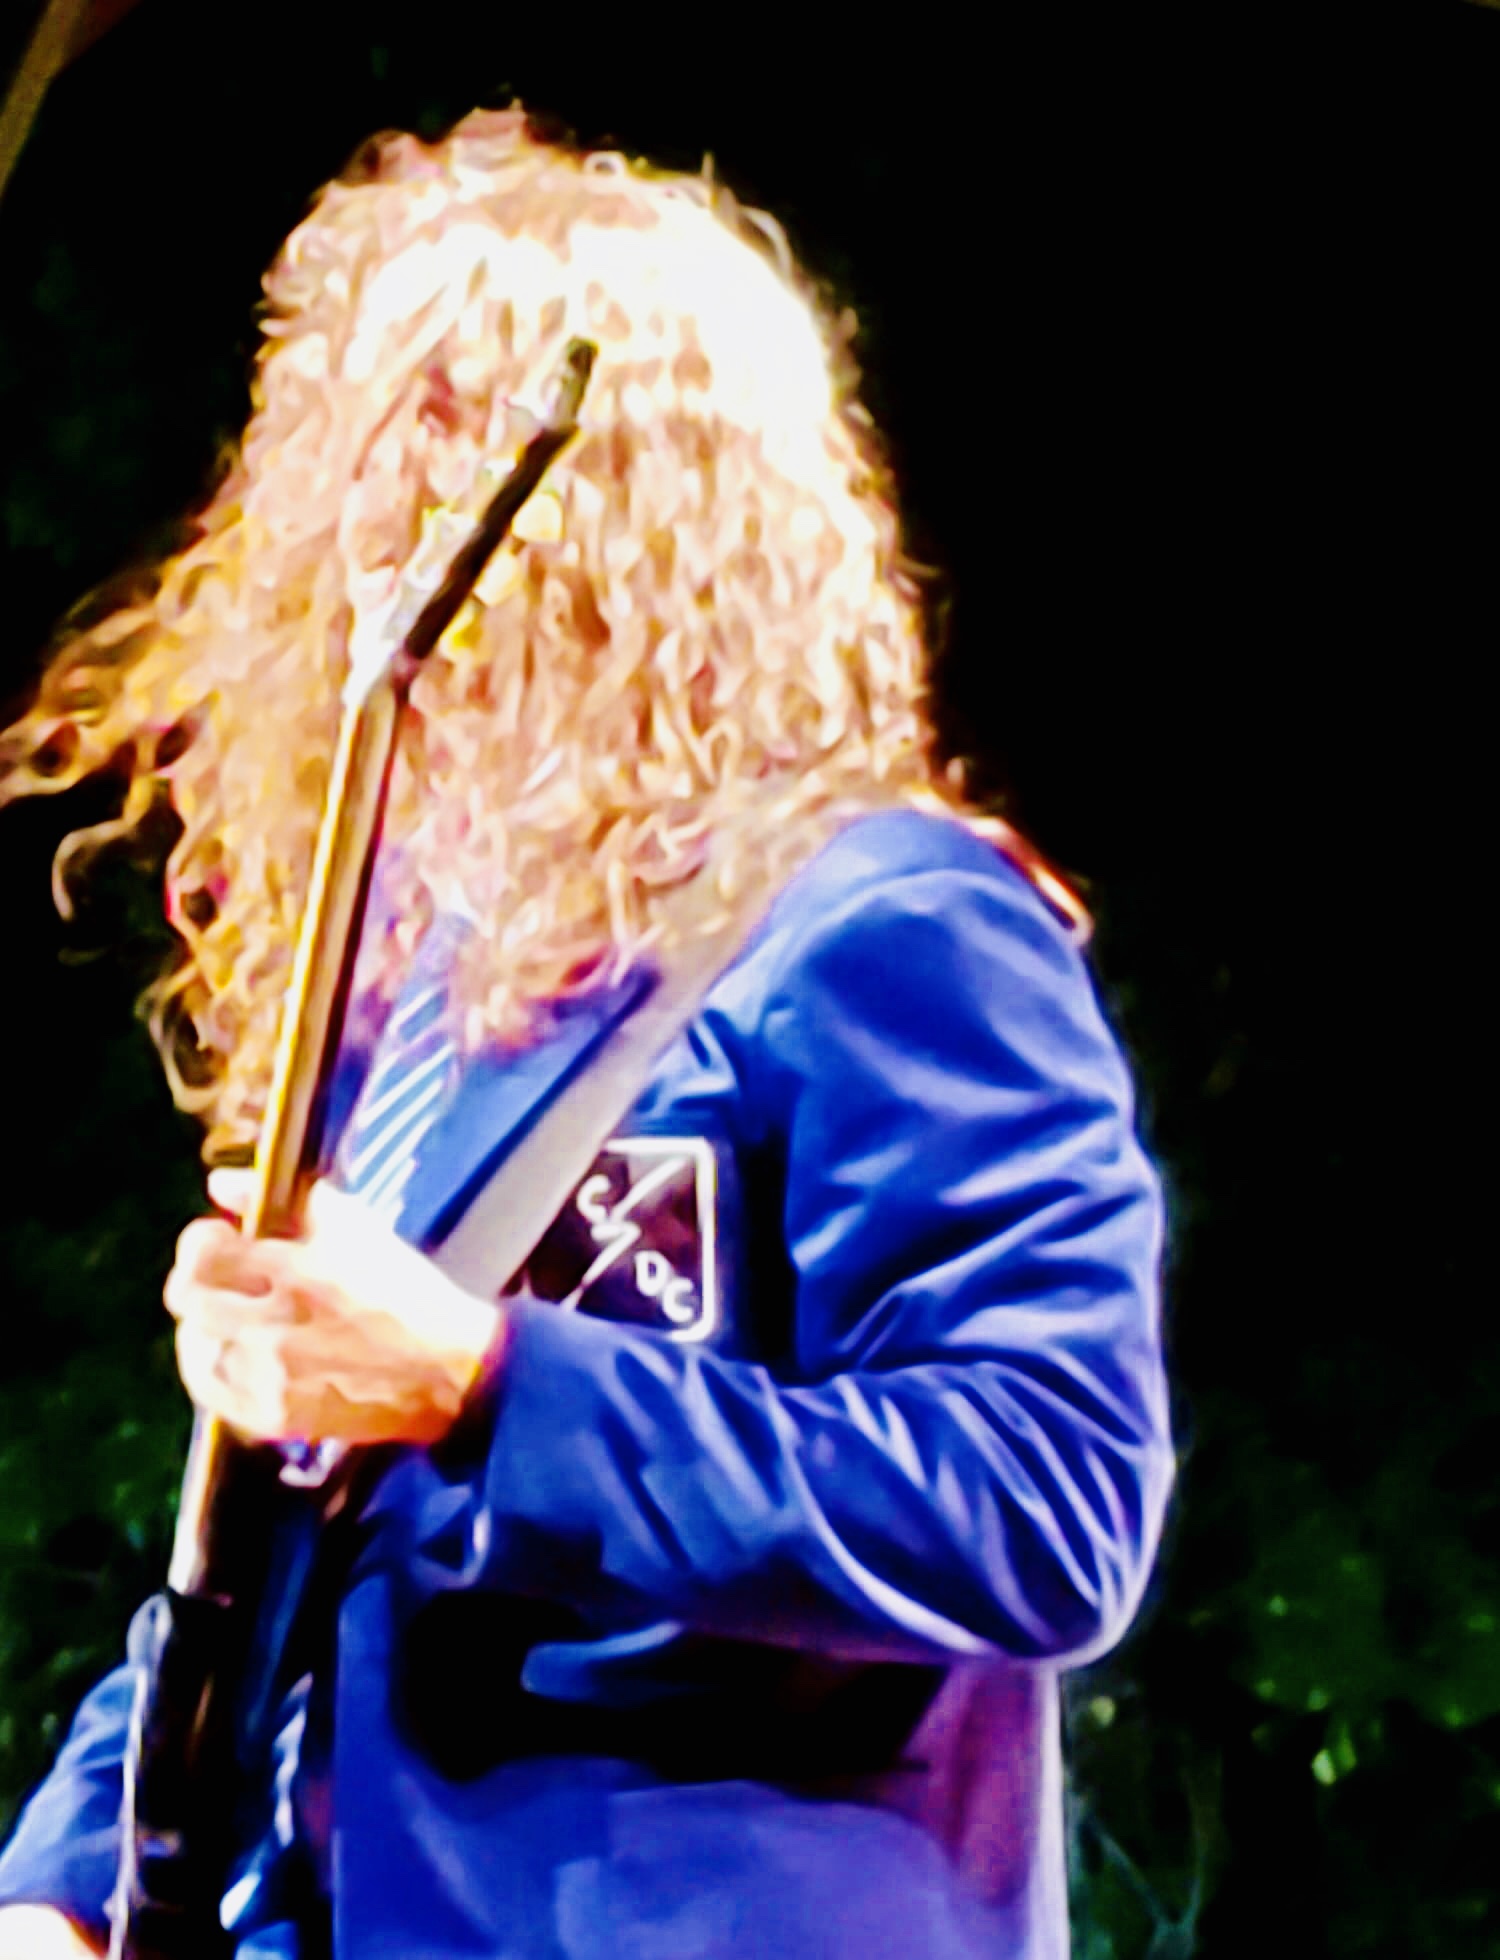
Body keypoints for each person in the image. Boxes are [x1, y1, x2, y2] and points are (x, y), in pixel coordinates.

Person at [0, 108, 1175, 1959]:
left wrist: (487, 1385)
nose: (361, 547)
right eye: (351, 462)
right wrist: (69, 1876)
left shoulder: (887, 925)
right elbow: (292, 1546)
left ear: (638, 516)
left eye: (434, 459)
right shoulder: (428, 994)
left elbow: (1045, 1499)